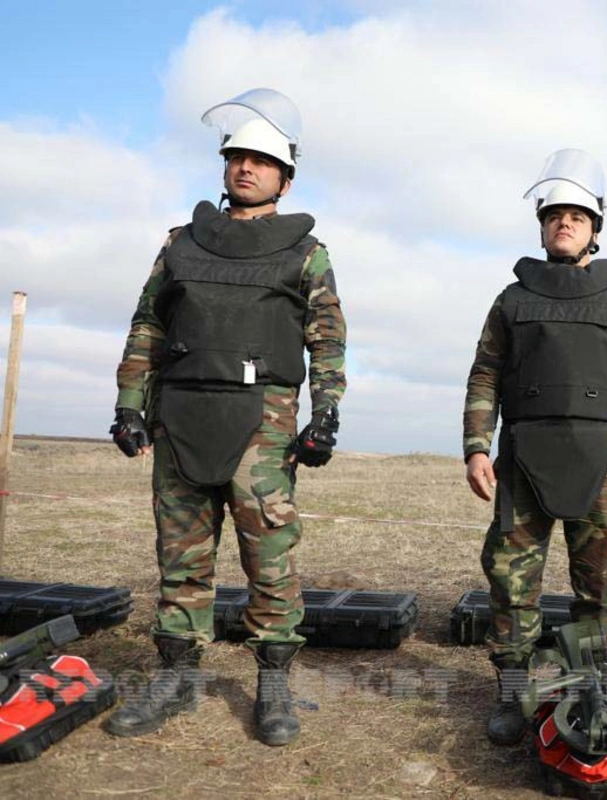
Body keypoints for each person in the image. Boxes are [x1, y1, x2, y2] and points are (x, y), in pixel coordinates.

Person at [105, 88, 347, 746]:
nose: (246, 167)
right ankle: (177, 677)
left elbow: (327, 339)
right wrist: (129, 403)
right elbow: (148, 325)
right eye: (238, 157)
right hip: (180, 414)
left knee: (269, 555)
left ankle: (273, 685)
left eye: (262, 161)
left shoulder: (306, 253)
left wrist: (326, 411)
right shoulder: (180, 244)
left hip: (262, 423)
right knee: (181, 555)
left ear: (285, 178)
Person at [462, 149, 607, 746]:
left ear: (594, 228)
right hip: (524, 456)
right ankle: (512, 688)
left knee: (601, 578)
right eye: (554, 215)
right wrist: (477, 446)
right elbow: (485, 374)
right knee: (511, 576)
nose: (564, 223)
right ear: (542, 226)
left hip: (601, 456)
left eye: (576, 216)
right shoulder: (511, 300)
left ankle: (591, 679)